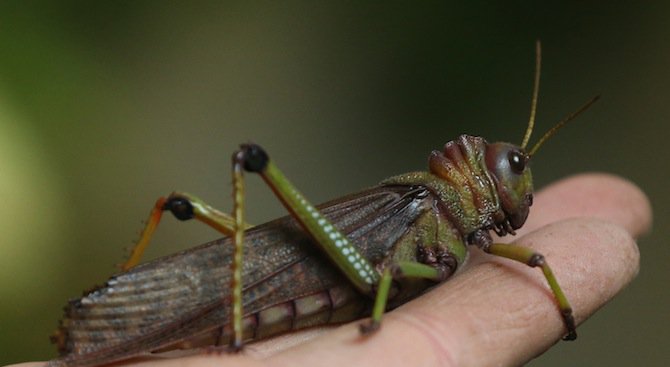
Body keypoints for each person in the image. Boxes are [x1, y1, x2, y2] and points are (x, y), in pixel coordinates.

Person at [6, 173, 650, 367]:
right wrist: (376, 317)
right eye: (515, 175)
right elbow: (395, 272)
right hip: (332, 279)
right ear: (481, 181)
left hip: (337, 277)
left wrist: (564, 311)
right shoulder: (424, 207)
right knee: (207, 194)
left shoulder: (457, 232)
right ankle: (124, 317)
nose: (524, 194)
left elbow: (535, 258)